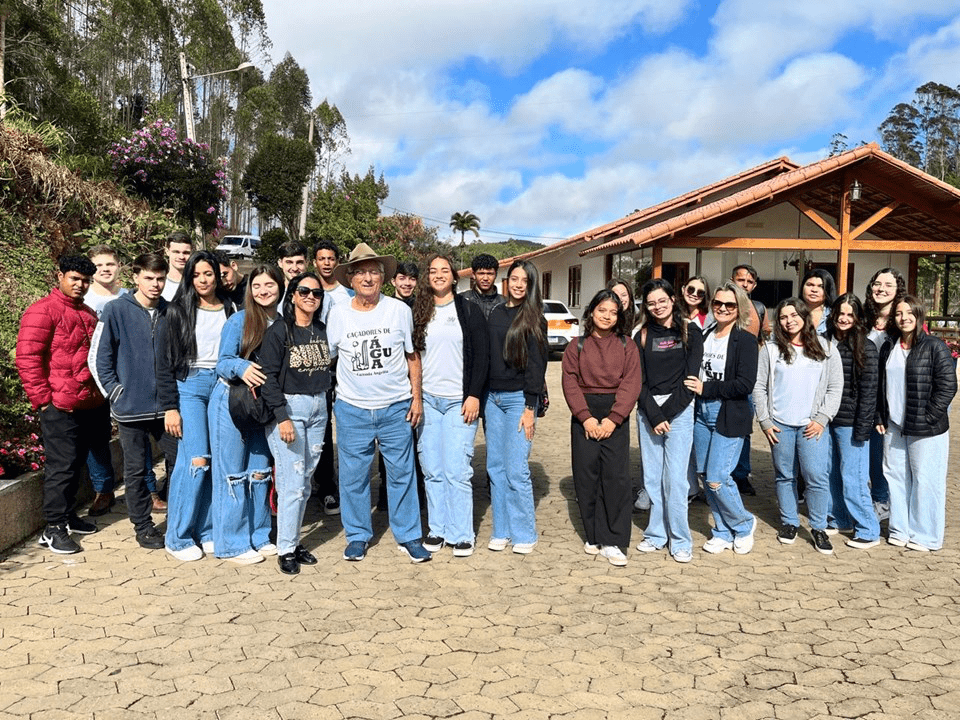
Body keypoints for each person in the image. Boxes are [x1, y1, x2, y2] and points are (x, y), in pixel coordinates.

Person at [326, 243, 431, 563]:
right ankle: (357, 535)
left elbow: (412, 357)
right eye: (361, 273)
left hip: (396, 407)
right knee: (353, 476)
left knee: (402, 473)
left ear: (383, 277)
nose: (368, 278)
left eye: (374, 272)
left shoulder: (399, 310)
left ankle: (409, 535)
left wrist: (416, 399)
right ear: (351, 279)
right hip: (352, 409)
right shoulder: (338, 313)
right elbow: (329, 358)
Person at [16, 255, 106, 554]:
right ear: (60, 276)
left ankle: (67, 515)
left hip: (88, 404)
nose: (80, 285)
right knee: (61, 467)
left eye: (85, 281)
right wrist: (43, 401)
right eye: (74, 279)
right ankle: (52, 528)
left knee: (76, 464)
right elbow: (28, 359)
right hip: (59, 406)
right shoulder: (42, 311)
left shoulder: (89, 314)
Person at [89, 253, 170, 552]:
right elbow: (98, 358)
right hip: (131, 408)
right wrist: (114, 392)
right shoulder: (115, 311)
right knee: (136, 471)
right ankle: (144, 526)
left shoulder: (171, 311)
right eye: (149, 278)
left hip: (167, 408)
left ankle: (179, 518)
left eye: (160, 278)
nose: (155, 284)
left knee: (181, 461)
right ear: (135, 277)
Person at [158, 251, 235, 561]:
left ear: (217, 275)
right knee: (196, 459)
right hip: (189, 386)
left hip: (222, 385)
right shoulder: (177, 311)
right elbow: (164, 364)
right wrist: (170, 407)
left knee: (216, 460)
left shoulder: (230, 306)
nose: (203, 280)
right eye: (197, 275)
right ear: (190, 278)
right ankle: (177, 536)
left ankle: (206, 530)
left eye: (208, 274)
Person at [411, 254, 489, 557]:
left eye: (445, 270)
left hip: (459, 401)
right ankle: (438, 529)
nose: (439, 275)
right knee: (432, 468)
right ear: (428, 277)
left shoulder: (467, 310)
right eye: (433, 271)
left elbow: (482, 356)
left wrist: (474, 396)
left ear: (454, 277)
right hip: (428, 400)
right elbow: (412, 355)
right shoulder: (420, 310)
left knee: (457, 469)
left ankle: (462, 533)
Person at [209, 264, 286, 565]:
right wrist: (242, 367)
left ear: (281, 287)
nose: (263, 291)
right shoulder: (239, 320)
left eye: (269, 285)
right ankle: (231, 543)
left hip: (262, 407)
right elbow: (223, 362)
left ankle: (259, 535)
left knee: (259, 472)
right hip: (231, 401)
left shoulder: (282, 322)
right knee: (231, 473)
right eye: (257, 286)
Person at [754, 298, 842, 554]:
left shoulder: (826, 348)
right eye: (783, 317)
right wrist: (765, 421)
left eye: (794, 315)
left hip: (811, 426)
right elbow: (759, 387)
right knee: (785, 476)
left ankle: (818, 527)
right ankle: (790, 522)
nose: (789, 320)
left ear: (805, 317)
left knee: (816, 477)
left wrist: (822, 418)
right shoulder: (770, 350)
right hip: (780, 425)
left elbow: (835, 388)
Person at [561, 289, 642, 566]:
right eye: (602, 310)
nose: (607, 316)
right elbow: (570, 382)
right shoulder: (577, 346)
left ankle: (616, 540)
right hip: (584, 413)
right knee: (586, 477)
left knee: (616, 479)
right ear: (591, 312)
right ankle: (594, 535)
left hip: (614, 414)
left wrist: (613, 418)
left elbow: (631, 383)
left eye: (613, 312)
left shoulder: (626, 345)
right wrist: (584, 417)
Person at [260, 272, 334, 574]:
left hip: (319, 407)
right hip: (291, 408)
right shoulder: (279, 331)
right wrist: (282, 417)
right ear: (292, 295)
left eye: (316, 294)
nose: (310, 297)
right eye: (304, 291)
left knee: (304, 482)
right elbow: (267, 379)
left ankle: (293, 540)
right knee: (291, 482)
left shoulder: (321, 329)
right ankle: (286, 548)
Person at [876, 296, 957, 552]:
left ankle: (926, 535)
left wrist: (930, 415)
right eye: (899, 313)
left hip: (927, 428)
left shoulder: (935, 346)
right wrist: (881, 415)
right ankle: (900, 529)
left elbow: (948, 386)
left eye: (910, 312)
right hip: (895, 425)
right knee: (895, 477)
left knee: (926, 480)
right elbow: (881, 385)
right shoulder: (889, 346)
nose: (904, 317)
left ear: (919, 314)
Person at [683, 282, 758, 555]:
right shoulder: (705, 334)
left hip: (728, 414)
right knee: (704, 475)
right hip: (701, 413)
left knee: (717, 477)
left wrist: (708, 388)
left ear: (739, 308)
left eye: (729, 305)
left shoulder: (746, 340)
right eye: (718, 303)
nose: (722, 308)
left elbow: (745, 384)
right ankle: (722, 531)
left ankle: (744, 523)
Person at [634, 278, 703, 563]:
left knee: (675, 479)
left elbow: (691, 379)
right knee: (652, 478)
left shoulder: (691, 331)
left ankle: (680, 539)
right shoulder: (641, 334)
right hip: (648, 409)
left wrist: (667, 414)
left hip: (680, 409)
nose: (657, 306)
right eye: (651, 303)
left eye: (662, 300)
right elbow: (638, 380)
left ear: (673, 299)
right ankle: (655, 534)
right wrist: (653, 414)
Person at [485, 259, 548, 554]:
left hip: (517, 401)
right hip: (492, 400)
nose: (519, 284)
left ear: (531, 284)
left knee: (516, 469)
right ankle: (502, 530)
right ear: (506, 281)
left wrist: (529, 407)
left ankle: (525, 533)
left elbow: (538, 366)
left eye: (525, 279)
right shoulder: (497, 312)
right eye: (514, 278)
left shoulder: (535, 317)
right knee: (495, 468)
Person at [824, 293, 881, 549]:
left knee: (853, 476)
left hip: (851, 423)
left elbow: (870, 392)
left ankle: (868, 529)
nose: (844, 319)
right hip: (826, 420)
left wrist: (863, 430)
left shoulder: (866, 347)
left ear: (857, 318)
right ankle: (841, 518)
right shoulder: (824, 342)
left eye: (850, 314)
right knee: (831, 473)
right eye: (840, 313)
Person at [83, 245, 130, 517]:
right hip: (93, 379)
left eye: (110, 264)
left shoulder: (130, 297)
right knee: (97, 436)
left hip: (128, 377)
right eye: (99, 265)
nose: (105, 269)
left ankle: (148, 488)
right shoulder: (84, 299)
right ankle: (104, 489)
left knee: (137, 435)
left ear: (119, 266)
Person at [311, 239, 353, 516]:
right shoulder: (308, 290)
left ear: (337, 261)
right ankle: (322, 485)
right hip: (315, 370)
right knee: (321, 431)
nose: (326, 263)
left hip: (345, 369)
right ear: (315, 261)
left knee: (346, 430)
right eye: (321, 258)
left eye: (331, 258)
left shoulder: (347, 294)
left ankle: (339, 487)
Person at [864, 267, 907, 521]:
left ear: (897, 290)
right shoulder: (864, 320)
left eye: (888, 285)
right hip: (865, 397)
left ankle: (884, 502)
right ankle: (875, 498)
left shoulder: (901, 323)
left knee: (886, 455)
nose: (881, 289)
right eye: (877, 284)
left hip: (890, 399)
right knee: (870, 453)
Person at [730, 263, 766, 497]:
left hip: (747, 378)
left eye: (749, 281)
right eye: (740, 279)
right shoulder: (721, 304)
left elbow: (760, 341)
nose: (744, 284)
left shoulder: (759, 308)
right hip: (722, 376)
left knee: (744, 428)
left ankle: (741, 474)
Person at [462, 253, 505, 320]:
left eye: (490, 274)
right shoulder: (461, 301)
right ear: (473, 275)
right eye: (481, 273)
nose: (485, 278)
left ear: (496, 275)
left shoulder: (505, 303)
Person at [801, 268, 836, 335]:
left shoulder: (834, 316)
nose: (814, 290)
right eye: (810, 285)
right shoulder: (792, 313)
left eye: (821, 286)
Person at [160, 231, 193, 301]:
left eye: (186, 253)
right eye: (176, 252)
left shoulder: (197, 283)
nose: (181, 257)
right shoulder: (159, 283)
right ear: (167, 251)